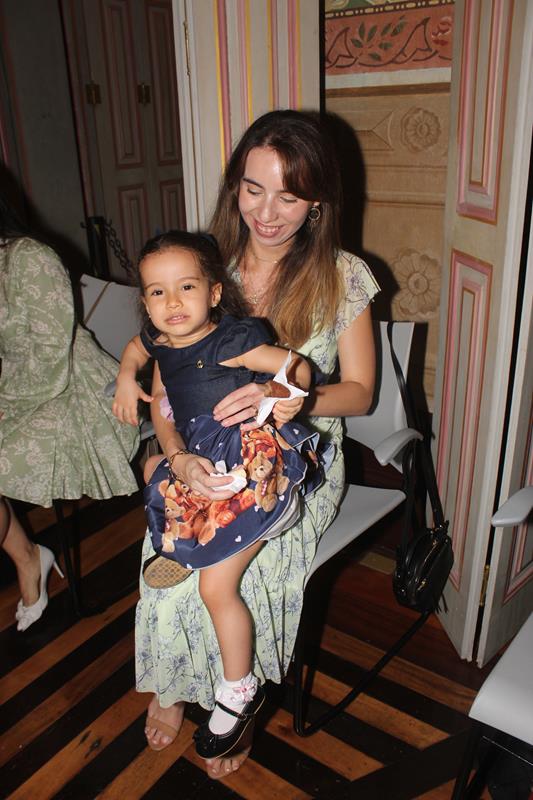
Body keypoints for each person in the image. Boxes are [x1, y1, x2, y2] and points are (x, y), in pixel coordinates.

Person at [133, 110, 379, 777]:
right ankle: (173, 682)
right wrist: (172, 449)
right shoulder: (201, 267)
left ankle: (232, 700)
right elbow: (162, 381)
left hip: (296, 456)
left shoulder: (343, 275)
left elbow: (360, 393)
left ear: (317, 201)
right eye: (252, 189)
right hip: (204, 449)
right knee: (168, 550)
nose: (267, 213)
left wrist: (289, 399)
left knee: (241, 570)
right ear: (234, 187)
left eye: (289, 196)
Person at [113, 229, 327, 758]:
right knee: (157, 474)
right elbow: (140, 355)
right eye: (157, 292)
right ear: (146, 301)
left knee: (216, 589)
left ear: (213, 293)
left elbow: (299, 366)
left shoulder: (230, 342)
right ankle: (185, 546)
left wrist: (278, 391)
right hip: (202, 457)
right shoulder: (161, 341)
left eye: (186, 287)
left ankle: (238, 689)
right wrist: (124, 374)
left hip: (252, 468)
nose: (172, 302)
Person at [0, 191, 140, 632]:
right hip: (15, 384)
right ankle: (28, 555)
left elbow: (51, 356)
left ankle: (27, 559)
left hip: (68, 385)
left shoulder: (29, 258)